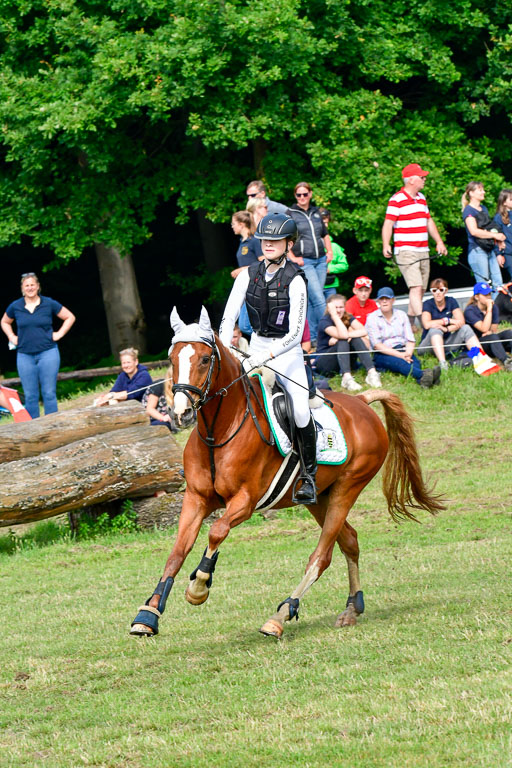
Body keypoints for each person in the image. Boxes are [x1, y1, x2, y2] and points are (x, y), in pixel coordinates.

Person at [219, 212, 317, 504]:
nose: (268, 244)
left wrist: (264, 357)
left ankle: (309, 477)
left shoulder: (295, 280)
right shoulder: (248, 274)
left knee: (300, 410)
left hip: (286, 354)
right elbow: (228, 317)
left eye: (275, 240)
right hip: (254, 348)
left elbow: (296, 333)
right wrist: (226, 349)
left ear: (289, 244)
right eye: (264, 240)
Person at [1, 272, 75, 418]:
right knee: (30, 395)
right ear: (22, 288)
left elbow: (69, 317)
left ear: (38, 286)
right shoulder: (15, 306)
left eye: (32, 285)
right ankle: (33, 428)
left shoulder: (48, 303)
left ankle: (52, 425)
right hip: (24, 355)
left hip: (48, 352)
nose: (30, 288)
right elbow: (4, 322)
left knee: (49, 393)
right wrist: (11, 336)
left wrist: (59, 334)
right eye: (26, 285)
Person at [382, 163, 447, 329]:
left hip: (423, 250)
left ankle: (409, 324)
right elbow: (388, 223)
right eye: (421, 177)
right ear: (411, 180)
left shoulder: (421, 197)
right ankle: (427, 326)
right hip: (406, 250)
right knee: (416, 287)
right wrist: (386, 244)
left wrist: (439, 241)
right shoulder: (396, 199)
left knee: (420, 290)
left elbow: (428, 221)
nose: (424, 179)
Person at [365, 286, 441, 388]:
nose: (384, 301)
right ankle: (425, 375)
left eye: (387, 298)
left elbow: (410, 339)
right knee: (400, 363)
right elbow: (377, 345)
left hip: (403, 349)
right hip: (383, 353)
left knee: (415, 362)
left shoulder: (401, 315)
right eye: (381, 299)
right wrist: (400, 355)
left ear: (393, 300)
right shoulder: (372, 318)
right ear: (378, 301)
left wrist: (408, 354)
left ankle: (424, 381)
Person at [287, 181, 333, 343]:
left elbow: (325, 234)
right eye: (298, 194)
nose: (302, 197)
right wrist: (292, 257)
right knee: (319, 298)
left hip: (321, 260)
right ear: (295, 196)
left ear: (310, 194)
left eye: (305, 194)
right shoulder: (291, 213)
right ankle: (331, 332)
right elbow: (284, 237)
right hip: (304, 260)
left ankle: (313, 336)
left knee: (313, 300)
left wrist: (329, 251)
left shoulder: (316, 212)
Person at [315, 294, 382, 391]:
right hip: (325, 363)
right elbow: (343, 335)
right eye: (335, 308)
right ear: (329, 308)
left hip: (344, 360)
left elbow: (364, 331)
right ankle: (346, 378)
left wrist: (348, 335)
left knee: (355, 338)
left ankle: (372, 373)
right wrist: (334, 316)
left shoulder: (347, 316)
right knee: (343, 340)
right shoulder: (324, 321)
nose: (338, 310)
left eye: (341, 307)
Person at [417, 278, 480, 369]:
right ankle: (443, 363)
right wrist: (447, 321)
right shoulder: (427, 303)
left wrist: (446, 329)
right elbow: (427, 324)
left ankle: (480, 357)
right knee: (435, 328)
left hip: (446, 344)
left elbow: (461, 322)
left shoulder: (451, 301)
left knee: (466, 328)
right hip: (428, 346)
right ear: (431, 292)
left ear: (446, 291)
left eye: (441, 290)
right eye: (434, 290)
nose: (438, 293)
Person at [461, 181, 506, 297]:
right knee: (483, 285)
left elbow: (489, 227)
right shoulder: (468, 210)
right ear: (471, 193)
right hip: (477, 250)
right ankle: (485, 307)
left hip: (489, 248)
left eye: (483, 190)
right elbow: (474, 231)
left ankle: (497, 307)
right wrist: (495, 236)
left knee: (498, 283)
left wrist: (499, 240)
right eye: (480, 190)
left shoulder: (483, 208)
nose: (483, 192)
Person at [463, 283, 512, 370]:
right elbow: (484, 329)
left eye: (489, 294)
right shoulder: (470, 311)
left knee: (508, 333)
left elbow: (493, 330)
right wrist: (489, 310)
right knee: (492, 337)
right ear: (477, 297)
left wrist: (490, 332)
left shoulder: (494, 307)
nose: (488, 297)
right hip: (477, 344)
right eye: (485, 295)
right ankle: (506, 361)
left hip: (491, 340)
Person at [318, 208, 349, 298]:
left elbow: (344, 265)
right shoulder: (306, 245)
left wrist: (329, 269)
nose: (326, 226)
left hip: (330, 287)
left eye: (327, 223)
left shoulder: (334, 246)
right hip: (313, 287)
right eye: (323, 223)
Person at [493, 188, 512, 281]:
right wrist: (498, 254)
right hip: (508, 254)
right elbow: (495, 237)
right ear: (504, 202)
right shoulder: (498, 218)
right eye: (511, 199)